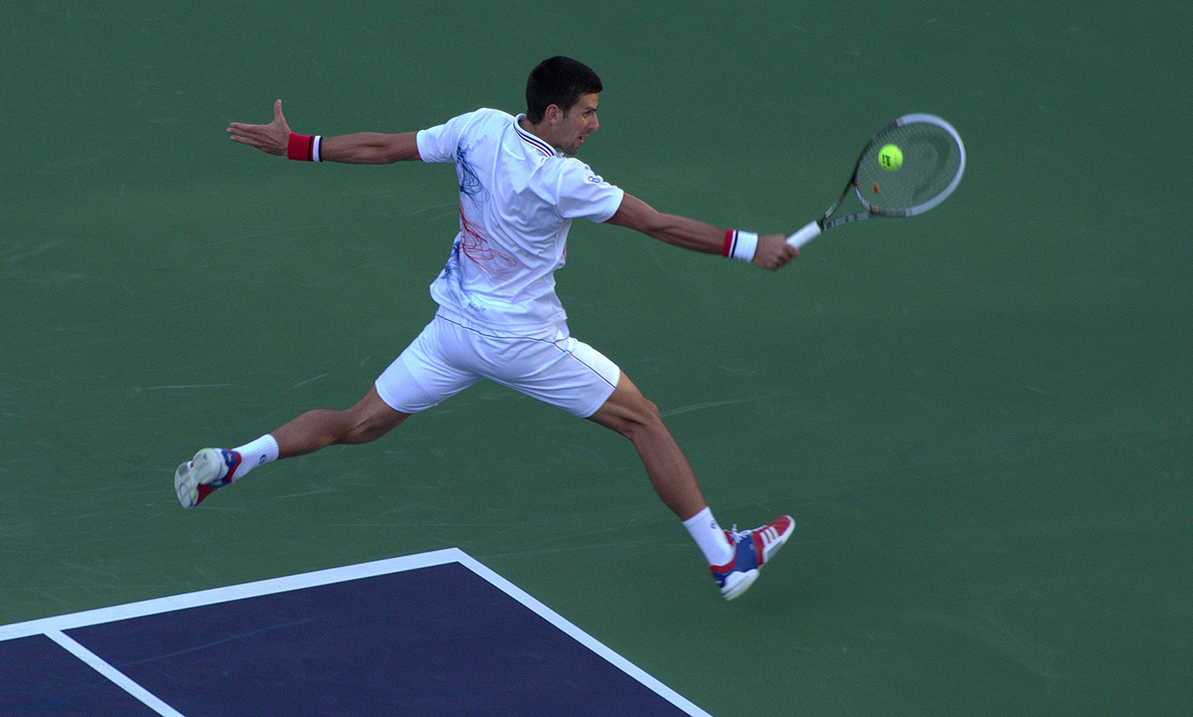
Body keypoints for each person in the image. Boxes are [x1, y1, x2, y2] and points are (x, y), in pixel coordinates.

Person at [176, 56, 798, 600]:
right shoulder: (562, 178)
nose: (595, 124)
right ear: (553, 114)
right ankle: (725, 556)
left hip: (454, 331)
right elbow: (656, 224)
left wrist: (296, 145)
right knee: (643, 419)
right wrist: (749, 246)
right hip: (522, 342)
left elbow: (385, 148)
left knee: (357, 423)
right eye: (586, 112)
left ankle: (238, 459)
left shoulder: (479, 127)